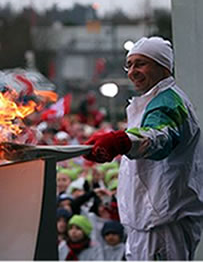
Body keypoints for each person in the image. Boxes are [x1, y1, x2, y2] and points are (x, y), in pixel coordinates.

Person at [84, 36, 203, 260]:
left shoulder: (168, 103)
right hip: (150, 222)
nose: (132, 72)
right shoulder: (153, 101)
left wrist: (121, 141)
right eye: (129, 65)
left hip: (163, 226)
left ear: (163, 67)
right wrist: (110, 141)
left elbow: (158, 138)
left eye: (141, 64)